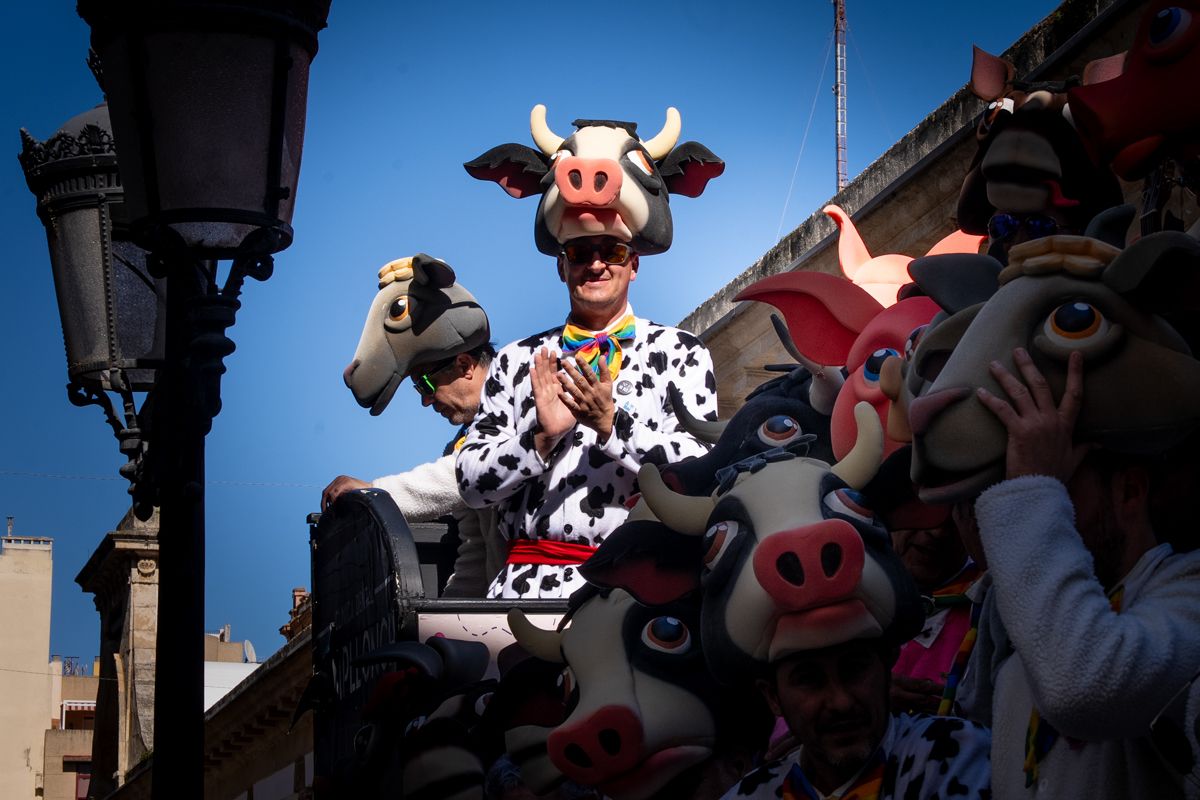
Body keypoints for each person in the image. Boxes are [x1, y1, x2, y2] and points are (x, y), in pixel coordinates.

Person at [963, 347, 1200, 798]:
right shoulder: (1017, 666)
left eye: (1056, 484)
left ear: (1129, 491)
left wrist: (1030, 486)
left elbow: (1083, 685)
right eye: (1030, 486)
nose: (1035, 506)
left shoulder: (1190, 597)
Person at [456, 234, 717, 599]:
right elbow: (470, 483)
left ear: (634, 264)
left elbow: (703, 469)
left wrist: (613, 426)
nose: (596, 265)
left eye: (613, 252)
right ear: (562, 267)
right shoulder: (515, 360)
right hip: (527, 593)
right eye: (580, 254)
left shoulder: (680, 352)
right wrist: (540, 440)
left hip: (636, 595)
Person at [323, 254, 503, 597]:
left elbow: (464, 474)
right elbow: (477, 555)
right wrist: (449, 628)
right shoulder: (460, 446)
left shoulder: (523, 398)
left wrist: (376, 493)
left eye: (426, 385)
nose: (424, 400)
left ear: (464, 364)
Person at [720, 634, 991, 799]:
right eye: (809, 680)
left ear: (887, 666)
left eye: (855, 670)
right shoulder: (752, 795)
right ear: (773, 697)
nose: (841, 702)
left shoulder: (956, 752)